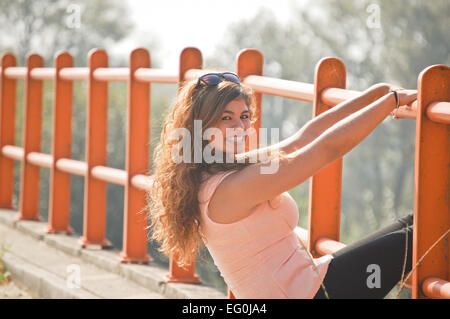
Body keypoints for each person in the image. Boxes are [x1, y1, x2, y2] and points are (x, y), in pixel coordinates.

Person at [147, 71, 418, 299]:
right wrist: (390, 102)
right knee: (423, 234)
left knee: (416, 223)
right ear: (202, 128)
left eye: (244, 115)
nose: (240, 126)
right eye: (226, 118)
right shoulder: (232, 187)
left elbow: (303, 138)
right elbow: (327, 150)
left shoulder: (214, 170)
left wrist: (375, 95)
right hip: (311, 293)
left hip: (309, 283)